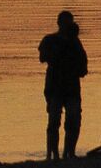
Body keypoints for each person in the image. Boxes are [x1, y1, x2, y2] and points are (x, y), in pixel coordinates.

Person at [38, 10, 88, 160]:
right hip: (55, 88)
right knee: (54, 121)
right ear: (59, 24)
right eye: (66, 23)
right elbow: (43, 57)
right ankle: (52, 154)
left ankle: (69, 152)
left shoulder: (75, 43)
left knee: (73, 120)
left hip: (71, 88)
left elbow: (83, 68)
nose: (67, 26)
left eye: (69, 23)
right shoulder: (50, 40)